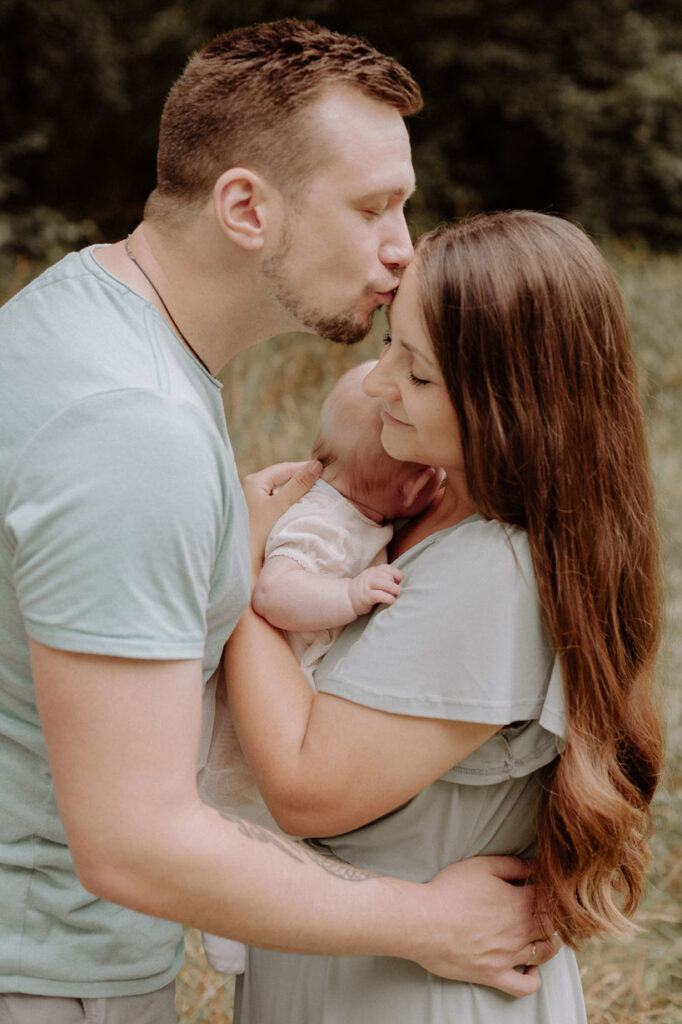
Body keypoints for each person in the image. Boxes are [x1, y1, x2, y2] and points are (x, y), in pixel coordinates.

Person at [0, 19, 557, 1022]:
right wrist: (422, 921)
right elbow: (134, 837)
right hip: (46, 975)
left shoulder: (75, 319)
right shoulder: (134, 430)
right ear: (246, 207)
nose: (401, 252)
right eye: (372, 207)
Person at [224, 210, 665, 1023]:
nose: (380, 381)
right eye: (390, 342)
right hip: (355, 970)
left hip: (412, 996)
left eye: (419, 373)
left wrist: (242, 573)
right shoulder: (424, 505)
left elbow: (305, 787)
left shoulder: (492, 571)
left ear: (514, 403)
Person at [201, 359, 441, 973]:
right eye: (422, 475)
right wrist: (351, 595)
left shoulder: (364, 513)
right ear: (405, 488)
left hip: (292, 682)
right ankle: (230, 935)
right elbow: (274, 592)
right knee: (242, 814)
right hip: (255, 702)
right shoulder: (324, 522)